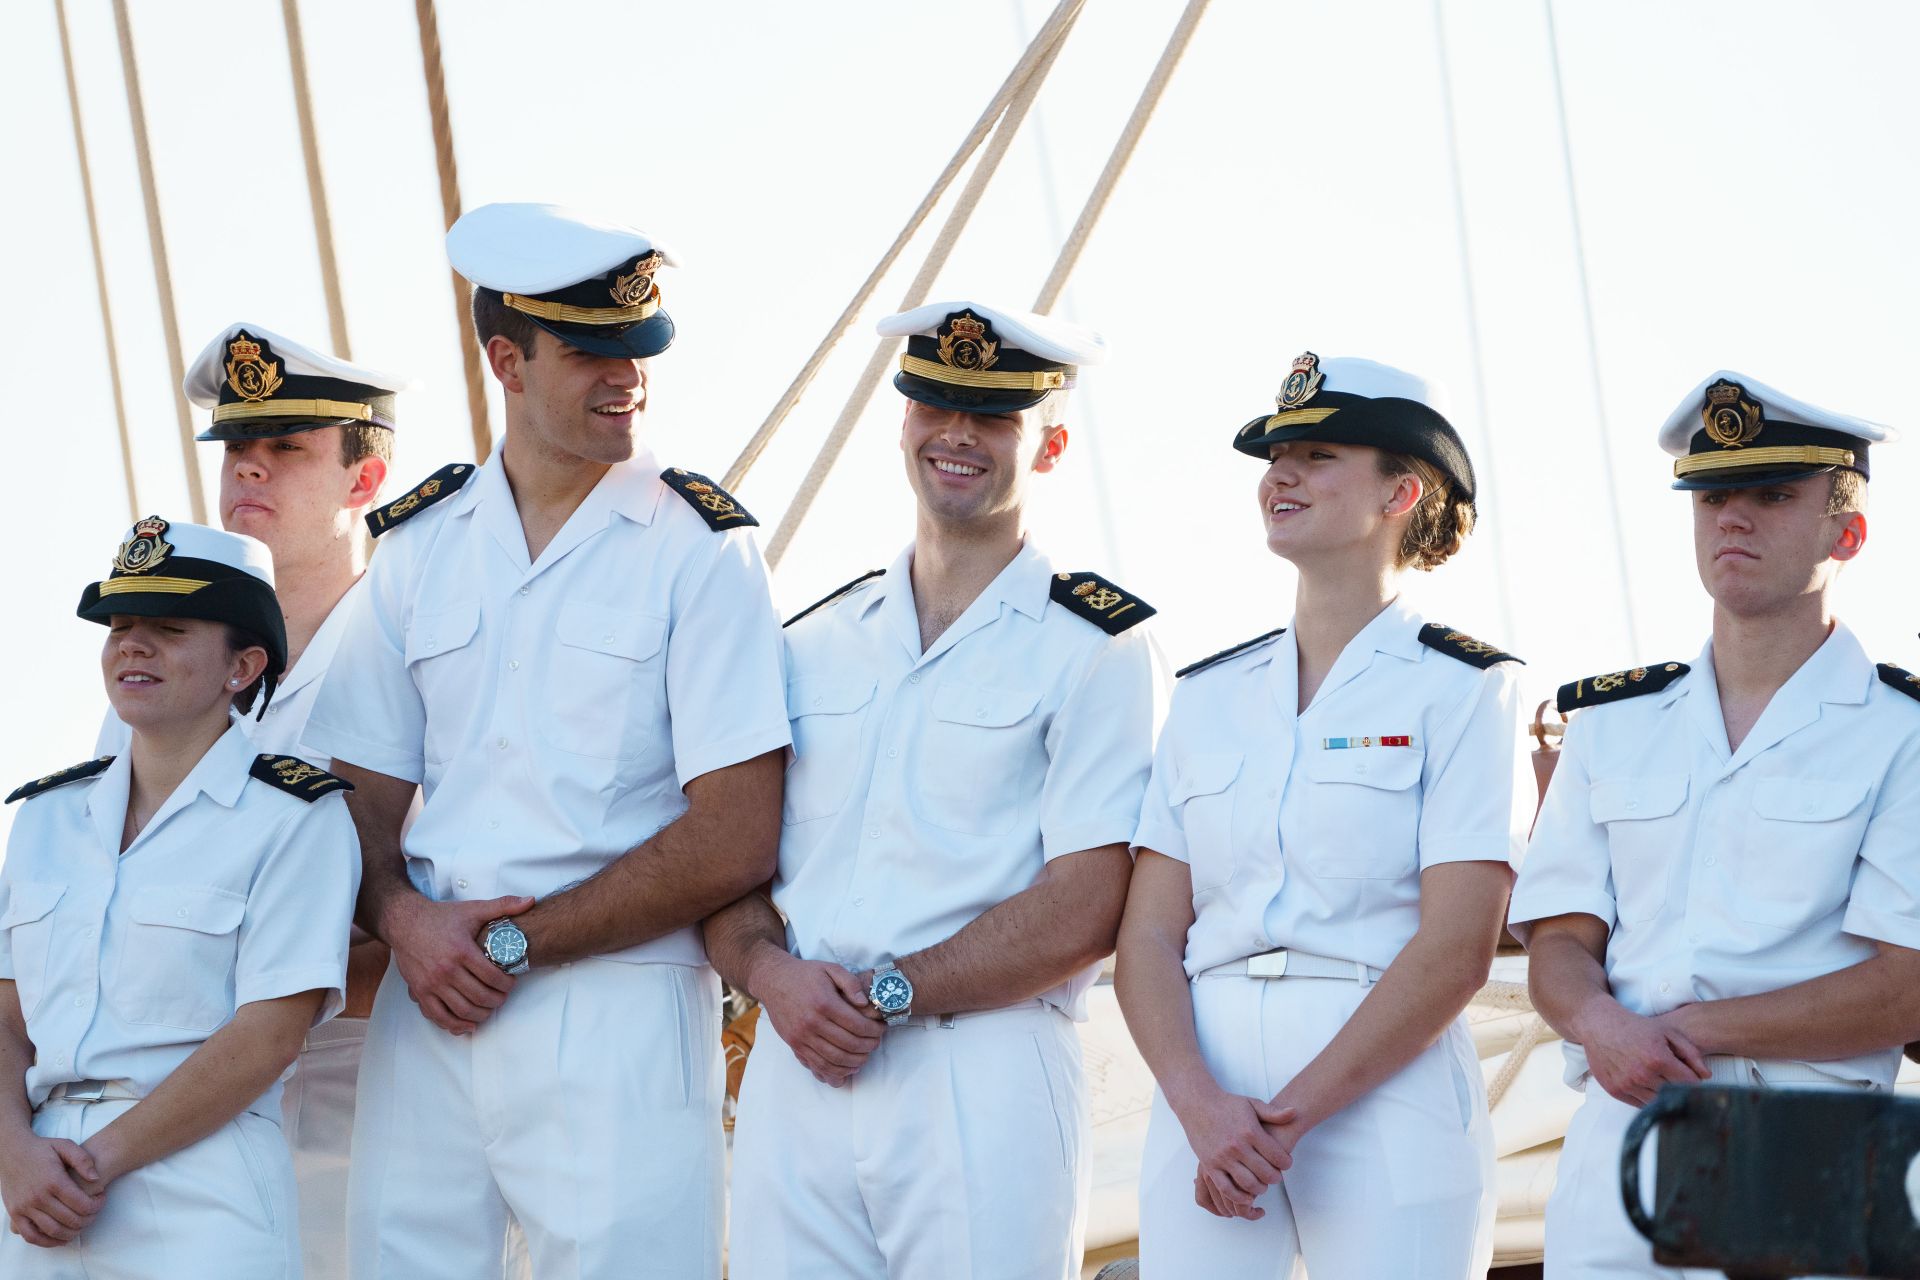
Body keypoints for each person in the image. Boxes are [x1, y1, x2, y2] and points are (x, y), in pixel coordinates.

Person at [301, 202, 790, 1279]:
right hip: (429, 1009)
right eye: (592, 350)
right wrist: (403, 918)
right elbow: (353, 797)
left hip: (617, 1002)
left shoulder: (701, 550)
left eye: (638, 347)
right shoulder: (421, 549)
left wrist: (514, 943)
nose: (627, 373)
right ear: (506, 360)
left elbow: (740, 832)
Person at [705, 301, 1159, 1280]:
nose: (956, 433)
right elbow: (728, 851)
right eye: (933, 403)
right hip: (799, 1055)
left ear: (1051, 442)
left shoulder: (1099, 647)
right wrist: (775, 977)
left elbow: (1091, 894)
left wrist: (892, 991)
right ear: (902, 418)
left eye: (993, 414)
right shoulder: (808, 640)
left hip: (980, 1065)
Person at [1114, 353, 1527, 1278]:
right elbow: (1146, 936)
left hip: (1386, 1087)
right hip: (1204, 1089)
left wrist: (1288, 1116)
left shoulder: (1468, 691)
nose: (1280, 476)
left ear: (1401, 494)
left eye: (1320, 454)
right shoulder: (1208, 696)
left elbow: (1458, 946)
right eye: (1277, 457)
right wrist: (1200, 1107)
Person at [1509, 372, 1920, 1278]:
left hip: (1809, 1142)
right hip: (1626, 1134)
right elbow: (1560, 943)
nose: (1733, 518)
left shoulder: (1906, 734)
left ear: (1846, 531)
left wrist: (1680, 1026)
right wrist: (1600, 1023)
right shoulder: (1612, 724)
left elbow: (1905, 987)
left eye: (1773, 496)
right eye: (1713, 496)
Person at [95, 323, 399, 1280]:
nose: (248, 473)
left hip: (365, 1119)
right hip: (153, 1119)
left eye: (286, 450)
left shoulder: (420, 657)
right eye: (237, 450)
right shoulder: (163, 672)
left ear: (364, 480)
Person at [0, 517, 359, 1277]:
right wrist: (16, 1158)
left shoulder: (296, 815)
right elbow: (6, 1019)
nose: (132, 644)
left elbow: (268, 1034)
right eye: (119, 626)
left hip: (202, 1183)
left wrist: (90, 1165)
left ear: (243, 666)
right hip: (34, 1188)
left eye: (167, 628)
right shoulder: (46, 818)